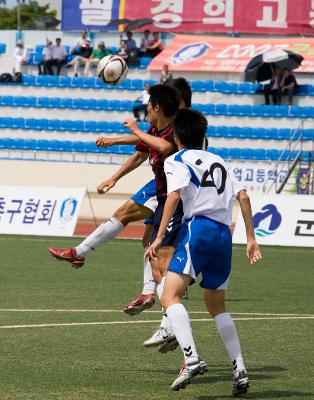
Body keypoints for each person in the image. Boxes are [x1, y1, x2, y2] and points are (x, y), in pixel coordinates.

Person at [145, 108, 262, 394]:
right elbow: (243, 196)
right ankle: (240, 368)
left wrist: (159, 236)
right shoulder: (219, 160)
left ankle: (191, 358)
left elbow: (174, 195)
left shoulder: (176, 159)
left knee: (168, 294)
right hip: (224, 235)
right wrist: (250, 238)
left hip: (198, 229)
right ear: (202, 134)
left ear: (175, 134)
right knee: (217, 306)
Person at [48, 86, 181, 332]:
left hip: (175, 192)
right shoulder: (157, 129)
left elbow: (163, 146)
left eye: (149, 105)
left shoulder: (179, 129)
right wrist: (114, 159)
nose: (147, 111)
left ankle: (170, 326)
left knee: (161, 255)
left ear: (158, 106)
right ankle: (148, 293)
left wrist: (133, 132)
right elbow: (143, 148)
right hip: (162, 188)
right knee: (147, 241)